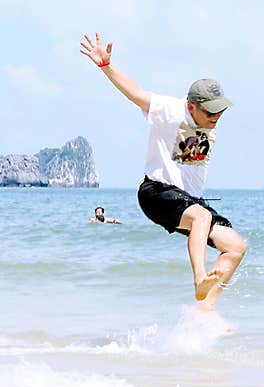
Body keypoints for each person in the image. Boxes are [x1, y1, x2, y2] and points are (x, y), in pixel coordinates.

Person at [80, 32, 246, 311]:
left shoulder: (207, 124)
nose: (216, 118)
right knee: (202, 217)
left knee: (236, 246)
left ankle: (206, 309)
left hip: (186, 200)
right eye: (210, 114)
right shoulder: (170, 110)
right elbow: (136, 93)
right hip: (155, 193)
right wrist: (106, 66)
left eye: (220, 113)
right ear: (192, 106)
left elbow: (187, 164)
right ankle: (199, 280)